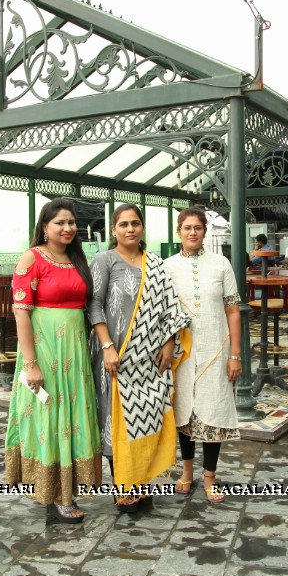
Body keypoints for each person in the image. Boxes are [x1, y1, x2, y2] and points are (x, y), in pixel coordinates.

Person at [88, 204, 191, 513]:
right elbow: (93, 304)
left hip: (149, 358)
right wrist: (107, 345)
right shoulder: (104, 260)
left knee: (148, 416)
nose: (129, 229)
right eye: (123, 224)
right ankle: (124, 487)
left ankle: (142, 482)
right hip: (114, 358)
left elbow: (170, 309)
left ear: (142, 227)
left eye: (135, 223)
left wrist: (169, 343)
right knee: (114, 418)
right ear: (114, 230)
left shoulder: (156, 265)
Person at [5, 198, 102, 524]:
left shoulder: (76, 259)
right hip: (45, 353)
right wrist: (31, 364)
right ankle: (55, 494)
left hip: (74, 354)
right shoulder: (31, 258)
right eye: (60, 222)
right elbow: (21, 313)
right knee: (50, 419)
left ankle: (69, 489)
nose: (67, 228)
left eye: (72, 222)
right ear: (44, 227)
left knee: (73, 418)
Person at [163, 207, 242, 503]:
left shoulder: (221, 264)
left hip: (216, 349)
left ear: (205, 232)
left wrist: (235, 354)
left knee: (214, 410)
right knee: (184, 412)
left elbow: (233, 310)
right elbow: (164, 312)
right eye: (187, 228)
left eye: (198, 227)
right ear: (179, 232)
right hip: (182, 353)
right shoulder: (167, 266)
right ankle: (186, 472)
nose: (192, 232)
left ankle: (210, 476)